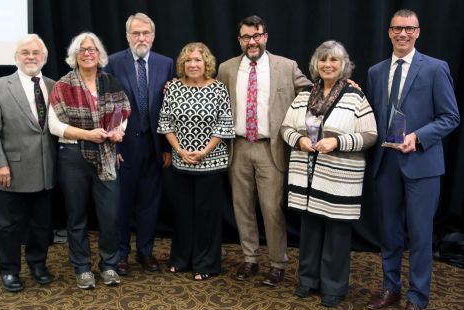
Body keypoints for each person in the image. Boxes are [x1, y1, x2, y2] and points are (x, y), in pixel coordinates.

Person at [366, 9, 460, 310]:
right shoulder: (376, 72)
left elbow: (450, 117)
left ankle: (417, 299)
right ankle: (390, 287)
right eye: (396, 28)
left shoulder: (435, 68)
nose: (402, 34)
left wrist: (418, 137)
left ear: (418, 32)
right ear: (389, 32)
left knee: (420, 236)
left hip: (422, 164)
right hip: (386, 163)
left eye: (409, 29)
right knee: (390, 233)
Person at [281, 41, 377, 307]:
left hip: (340, 178)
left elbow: (370, 135)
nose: (328, 65)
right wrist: (298, 139)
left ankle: (334, 287)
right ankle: (308, 280)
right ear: (316, 64)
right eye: (323, 60)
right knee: (310, 230)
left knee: (336, 233)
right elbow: (286, 127)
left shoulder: (355, 96)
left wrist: (338, 142)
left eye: (334, 60)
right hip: (307, 176)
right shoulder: (304, 95)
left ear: (343, 65)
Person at [217, 15, 312, 286]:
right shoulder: (226, 68)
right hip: (238, 147)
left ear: (265, 36)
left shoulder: (286, 66)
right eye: (246, 37)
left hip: (271, 148)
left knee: (272, 209)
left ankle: (277, 262)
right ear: (240, 40)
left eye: (256, 35)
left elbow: (312, 92)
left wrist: (343, 86)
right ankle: (250, 259)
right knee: (242, 207)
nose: (252, 41)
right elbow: (210, 95)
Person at [48, 32, 130, 289]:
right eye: (82, 49)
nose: (87, 53)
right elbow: (55, 126)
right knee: (76, 216)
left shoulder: (111, 83)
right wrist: (88, 135)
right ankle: (82, 268)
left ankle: (108, 265)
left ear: (99, 54)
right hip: (72, 155)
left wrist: (119, 131)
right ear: (74, 55)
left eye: (92, 49)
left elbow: (122, 114)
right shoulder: (63, 85)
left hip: (106, 154)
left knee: (110, 216)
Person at [0, 34, 56, 292]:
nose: (31, 57)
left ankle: (37, 264)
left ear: (44, 58)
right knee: (8, 225)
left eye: (36, 53)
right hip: (10, 170)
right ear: (16, 57)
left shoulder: (54, 86)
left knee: (42, 224)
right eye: (25, 52)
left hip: (46, 170)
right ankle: (9, 270)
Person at [157, 42, 235, 280]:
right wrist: (179, 150)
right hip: (181, 162)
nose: (193, 64)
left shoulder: (219, 88)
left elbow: (225, 124)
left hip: (211, 162)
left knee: (206, 214)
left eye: (198, 60)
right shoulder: (173, 88)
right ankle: (180, 259)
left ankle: (205, 263)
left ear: (206, 63)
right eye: (188, 60)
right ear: (182, 64)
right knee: (182, 213)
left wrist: (203, 151)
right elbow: (165, 123)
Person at [104, 13, 174, 274]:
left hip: (155, 146)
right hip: (124, 147)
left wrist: (167, 147)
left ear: (153, 36)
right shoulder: (112, 63)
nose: (141, 38)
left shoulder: (166, 64)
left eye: (146, 33)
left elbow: (170, 109)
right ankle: (121, 254)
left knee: (150, 203)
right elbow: (106, 106)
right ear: (127, 36)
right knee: (122, 204)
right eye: (136, 33)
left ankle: (145, 252)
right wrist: (115, 147)